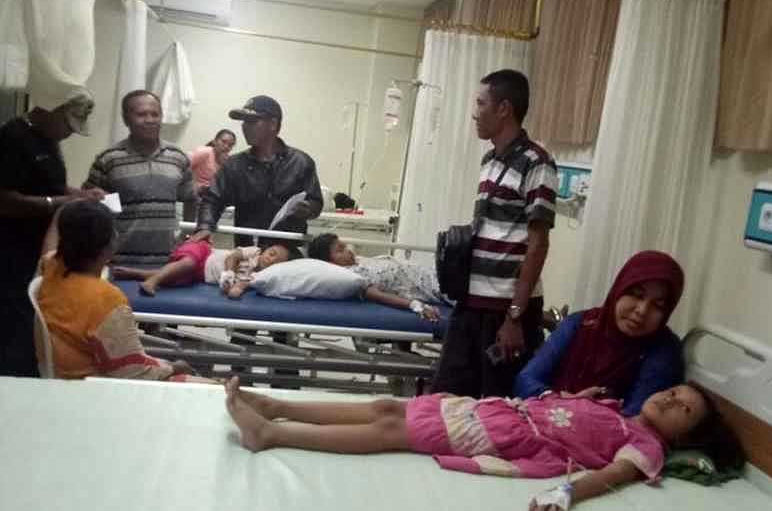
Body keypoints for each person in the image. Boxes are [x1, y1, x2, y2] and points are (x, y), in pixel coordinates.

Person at [224, 378, 744, 510]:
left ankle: (270, 434)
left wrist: (566, 494)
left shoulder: (648, 449)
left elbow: (613, 474)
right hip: (495, 411)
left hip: (504, 435)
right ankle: (275, 405)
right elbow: (570, 417)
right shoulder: (616, 408)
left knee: (390, 433)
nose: (670, 399)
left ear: (685, 436)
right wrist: (578, 402)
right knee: (387, 407)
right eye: (674, 391)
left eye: (683, 409)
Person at [431, 69, 558, 398]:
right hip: (471, 301)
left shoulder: (537, 162)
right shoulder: (490, 160)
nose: (475, 113)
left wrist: (515, 317)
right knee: (445, 398)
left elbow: (538, 244)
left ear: (503, 109)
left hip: (505, 310)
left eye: (480, 103)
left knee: (495, 404)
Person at [0, 89, 104, 377]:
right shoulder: (12, 138)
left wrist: (80, 194)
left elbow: (50, 185)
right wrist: (58, 203)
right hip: (11, 250)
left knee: (31, 323)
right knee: (14, 324)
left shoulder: (48, 141)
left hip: (39, 247)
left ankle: (29, 377)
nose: (69, 134)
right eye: (69, 125)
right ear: (53, 110)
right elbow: (5, 199)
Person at [37, 201, 200, 381]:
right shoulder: (106, 299)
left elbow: (51, 246)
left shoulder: (51, 267)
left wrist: (63, 210)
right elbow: (136, 373)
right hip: (97, 386)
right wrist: (174, 367)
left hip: (63, 375)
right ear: (107, 248)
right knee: (216, 389)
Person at [514, 251, 685, 416]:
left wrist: (585, 410)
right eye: (637, 295)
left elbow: (637, 417)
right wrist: (560, 401)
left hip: (606, 433)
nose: (642, 310)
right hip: (542, 418)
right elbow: (526, 379)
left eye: (658, 305)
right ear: (619, 288)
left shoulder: (663, 350)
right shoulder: (580, 323)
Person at [192, 95, 323, 247]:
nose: (244, 126)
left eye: (252, 121)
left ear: (273, 124)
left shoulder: (301, 162)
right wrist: (205, 226)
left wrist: (307, 209)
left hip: (287, 251)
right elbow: (213, 198)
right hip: (246, 251)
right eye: (244, 121)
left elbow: (315, 202)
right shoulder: (234, 165)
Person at [83, 89, 193, 267]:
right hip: (118, 263)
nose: (149, 120)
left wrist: (186, 237)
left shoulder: (178, 157)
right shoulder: (108, 159)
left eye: (155, 114)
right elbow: (91, 208)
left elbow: (190, 198)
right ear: (126, 119)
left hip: (166, 264)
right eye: (141, 114)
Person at [308, 232, 448, 321]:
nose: (348, 251)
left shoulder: (358, 261)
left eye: (344, 246)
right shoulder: (350, 277)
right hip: (435, 287)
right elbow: (378, 296)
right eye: (340, 250)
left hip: (432, 273)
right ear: (329, 262)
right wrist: (417, 306)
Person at [112, 239, 302, 298]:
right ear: (266, 249)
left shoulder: (260, 277)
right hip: (203, 253)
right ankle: (152, 282)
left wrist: (229, 287)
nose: (270, 258)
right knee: (187, 264)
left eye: (276, 260)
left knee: (175, 276)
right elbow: (233, 256)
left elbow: (238, 288)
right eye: (272, 252)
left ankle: (133, 273)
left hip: (200, 275)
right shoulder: (255, 251)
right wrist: (229, 272)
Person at [184, 129, 236, 223]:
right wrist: (194, 185)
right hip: (194, 194)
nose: (226, 146)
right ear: (215, 141)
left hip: (210, 195)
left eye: (230, 145)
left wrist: (224, 165)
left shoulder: (227, 161)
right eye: (223, 142)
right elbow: (182, 167)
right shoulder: (205, 152)